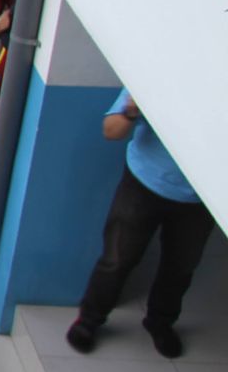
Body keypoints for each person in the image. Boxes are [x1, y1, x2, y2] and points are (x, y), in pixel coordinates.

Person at [67, 91, 216, 358]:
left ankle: (160, 323)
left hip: (201, 197)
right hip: (143, 184)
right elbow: (111, 131)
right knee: (117, 259)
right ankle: (89, 320)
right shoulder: (164, 75)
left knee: (181, 267)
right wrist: (130, 111)